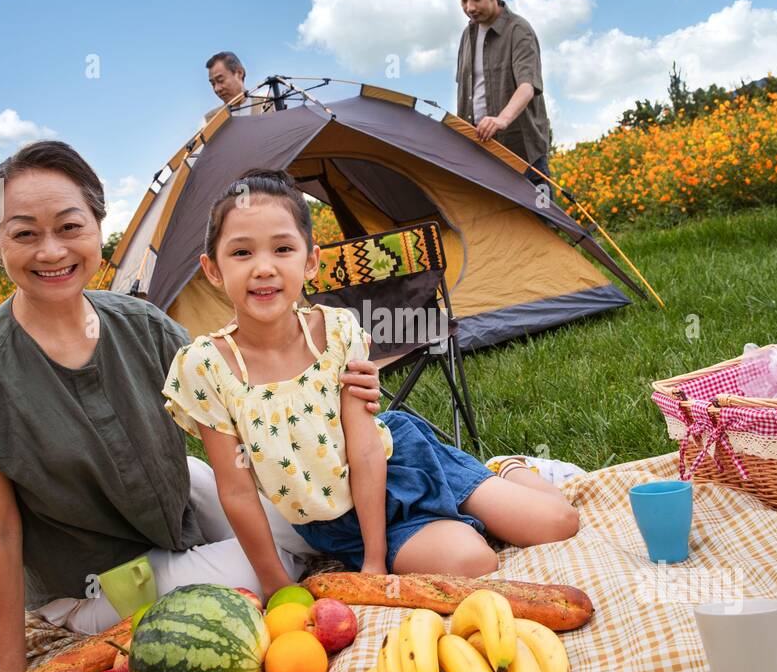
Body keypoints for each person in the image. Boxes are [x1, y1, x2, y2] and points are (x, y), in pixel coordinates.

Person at [0, 142, 384, 672]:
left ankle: (492, 483)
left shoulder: (143, 325)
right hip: (98, 576)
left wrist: (337, 387)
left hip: (177, 506)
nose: (51, 250)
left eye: (70, 226)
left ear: (98, 226)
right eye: (24, 234)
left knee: (323, 510)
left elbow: (248, 409)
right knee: (272, 567)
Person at [163, 170, 580, 596]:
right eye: (241, 253)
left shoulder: (338, 330)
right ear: (212, 270)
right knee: (474, 561)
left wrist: (376, 560)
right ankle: (457, 518)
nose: (264, 268)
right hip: (337, 519)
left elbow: (364, 448)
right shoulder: (205, 367)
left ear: (309, 262)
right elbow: (235, 490)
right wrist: (274, 583)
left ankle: (503, 468)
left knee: (559, 523)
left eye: (283, 248)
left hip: (399, 460)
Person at [453, 0, 554, 186]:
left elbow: (527, 86)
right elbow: (468, 92)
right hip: (482, 154)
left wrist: (501, 120)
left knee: (537, 220)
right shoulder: (466, 36)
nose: (470, 7)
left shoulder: (519, 30)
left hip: (523, 155)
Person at [203, 51, 270, 123]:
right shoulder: (212, 119)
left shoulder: (268, 106)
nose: (217, 89)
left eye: (220, 80)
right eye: (213, 84)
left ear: (239, 73)